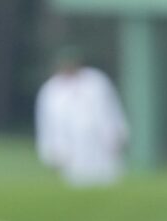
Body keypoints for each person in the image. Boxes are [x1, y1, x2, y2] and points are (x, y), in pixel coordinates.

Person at [35, 47, 129, 187]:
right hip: (72, 149)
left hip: (100, 145)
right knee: (76, 181)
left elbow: (112, 110)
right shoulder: (51, 90)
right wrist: (51, 152)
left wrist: (118, 135)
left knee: (108, 179)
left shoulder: (96, 81)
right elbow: (46, 124)